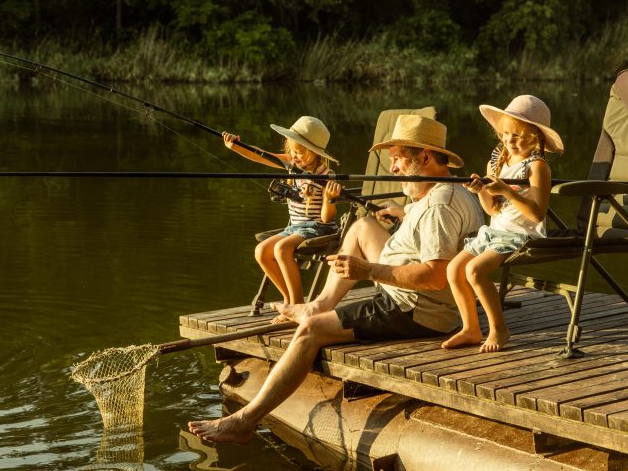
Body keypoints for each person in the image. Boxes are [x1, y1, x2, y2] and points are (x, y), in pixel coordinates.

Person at [189, 114, 483, 444]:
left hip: (413, 307)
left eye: (398, 159)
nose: (395, 168)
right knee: (360, 228)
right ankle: (318, 304)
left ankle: (245, 420)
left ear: (425, 158)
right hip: (412, 290)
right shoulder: (446, 192)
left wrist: (368, 270)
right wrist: (401, 214)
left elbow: (436, 277)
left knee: (310, 331)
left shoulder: (438, 206)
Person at [441, 95, 564, 353]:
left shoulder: (537, 166)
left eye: (518, 135)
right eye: (506, 133)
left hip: (521, 234)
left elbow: (538, 214)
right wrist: (481, 190)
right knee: (454, 269)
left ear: (535, 137)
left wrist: (508, 191)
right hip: (495, 232)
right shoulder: (497, 162)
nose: (510, 140)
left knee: (474, 271)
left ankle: (499, 329)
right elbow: (491, 209)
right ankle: (471, 328)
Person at [222, 116, 341, 311]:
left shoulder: (325, 175)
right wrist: (235, 146)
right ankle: (289, 301)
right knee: (261, 251)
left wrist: (329, 199)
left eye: (300, 152)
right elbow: (261, 155)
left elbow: (327, 218)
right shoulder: (291, 165)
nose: (295, 156)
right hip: (294, 227)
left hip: (319, 227)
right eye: (292, 151)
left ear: (314, 152)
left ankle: (297, 305)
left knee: (281, 249)